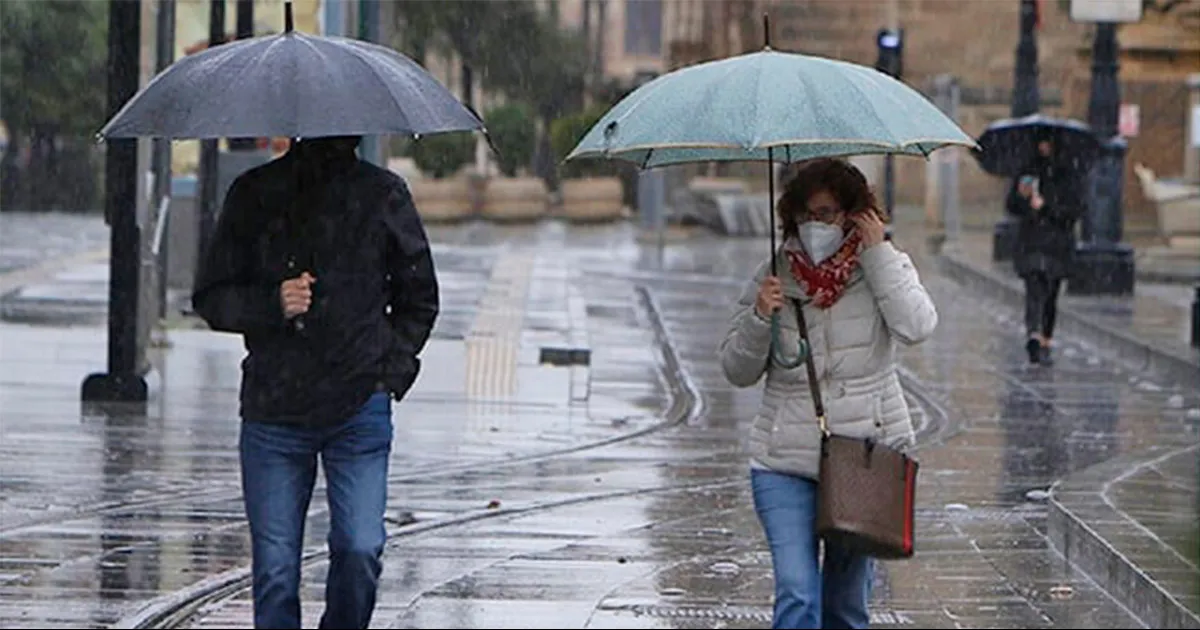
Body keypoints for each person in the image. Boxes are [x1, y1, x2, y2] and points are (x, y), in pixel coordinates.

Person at [191, 135, 439, 629]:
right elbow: (212, 296)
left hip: (358, 408)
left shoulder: (383, 195)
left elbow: (420, 297)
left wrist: (388, 372)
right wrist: (272, 303)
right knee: (277, 571)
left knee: (360, 549)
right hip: (274, 410)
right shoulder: (256, 193)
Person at [717, 158, 937, 629]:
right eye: (808, 215)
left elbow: (917, 326)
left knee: (845, 606)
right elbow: (736, 371)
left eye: (830, 214)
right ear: (791, 216)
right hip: (784, 461)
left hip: (864, 457)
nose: (818, 226)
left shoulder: (884, 267)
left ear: (856, 215)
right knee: (798, 592)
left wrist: (878, 256)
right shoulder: (773, 276)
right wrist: (760, 317)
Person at [1007, 137, 1082, 365]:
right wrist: (1022, 196)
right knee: (1034, 286)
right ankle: (1034, 333)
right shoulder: (1028, 170)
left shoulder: (1067, 175)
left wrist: (1047, 208)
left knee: (1050, 292)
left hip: (1056, 244)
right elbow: (1011, 205)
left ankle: (1046, 336)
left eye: (1048, 143)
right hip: (1032, 241)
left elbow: (1072, 212)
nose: (1044, 147)